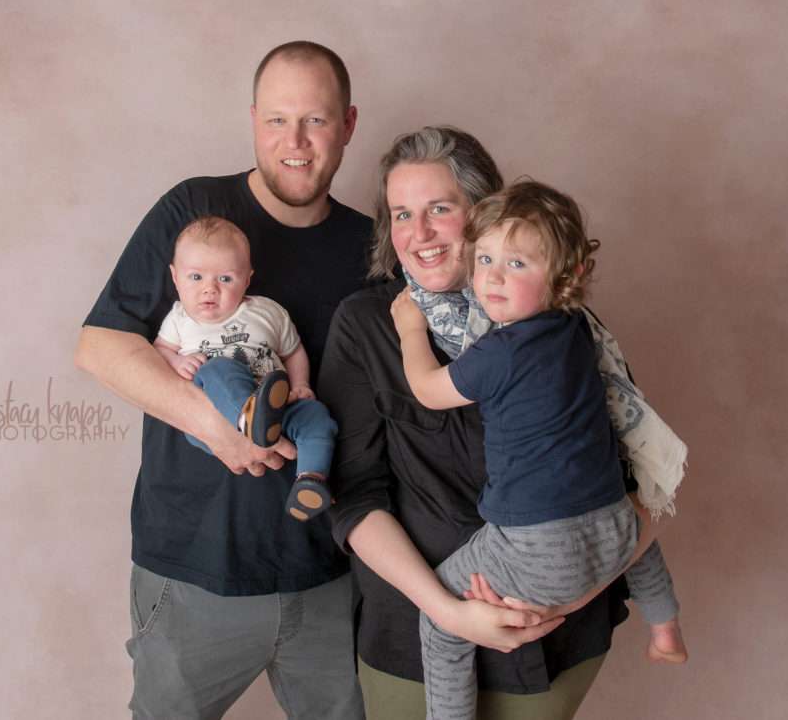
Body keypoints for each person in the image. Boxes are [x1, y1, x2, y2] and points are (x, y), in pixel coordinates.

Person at [319, 126, 665, 720]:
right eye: (401, 214)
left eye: (439, 209)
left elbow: (643, 483)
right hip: (414, 641)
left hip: (556, 636)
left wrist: (561, 597)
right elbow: (352, 496)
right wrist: (449, 612)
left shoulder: (562, 322)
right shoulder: (367, 324)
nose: (419, 233)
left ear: (485, 214)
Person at [75, 41, 369, 719]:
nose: (295, 142)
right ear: (253, 119)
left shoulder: (372, 247)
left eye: (316, 120)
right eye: (278, 120)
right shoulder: (195, 210)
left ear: (348, 124)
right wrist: (214, 424)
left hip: (329, 575)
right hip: (192, 570)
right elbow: (100, 344)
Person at [390, 180, 687, 720]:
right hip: (613, 527)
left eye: (517, 264)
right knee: (633, 527)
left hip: (535, 548)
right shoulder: (576, 329)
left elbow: (430, 391)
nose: (493, 277)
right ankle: (665, 627)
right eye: (484, 259)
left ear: (565, 276)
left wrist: (411, 329)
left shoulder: (500, 350)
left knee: (441, 616)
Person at [154, 214, 338, 520]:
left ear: (247, 279)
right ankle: (248, 415)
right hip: (215, 417)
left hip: (279, 407)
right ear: (175, 276)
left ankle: (311, 480)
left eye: (225, 279)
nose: (209, 289)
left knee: (316, 417)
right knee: (217, 369)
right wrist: (178, 360)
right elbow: (159, 350)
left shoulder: (267, 312)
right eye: (196, 277)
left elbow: (293, 353)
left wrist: (300, 385)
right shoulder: (179, 319)